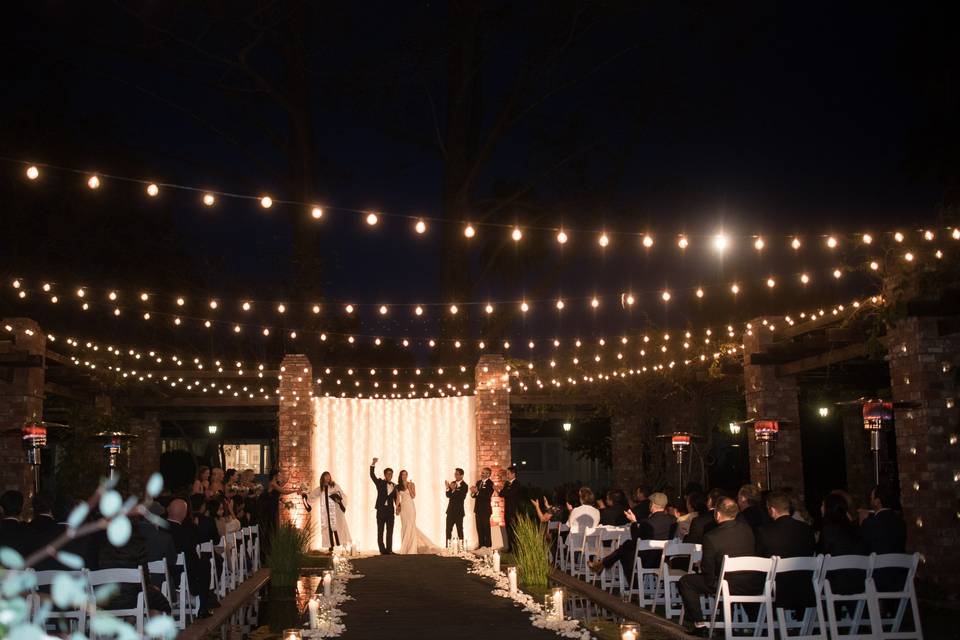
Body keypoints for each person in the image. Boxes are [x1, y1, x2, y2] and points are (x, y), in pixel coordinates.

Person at [678, 497, 762, 636]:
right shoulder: (747, 529)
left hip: (725, 584)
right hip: (750, 582)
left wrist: (703, 566)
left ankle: (699, 624)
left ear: (717, 514)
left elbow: (707, 570)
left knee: (686, 581)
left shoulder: (712, 536)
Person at [588, 492, 675, 578]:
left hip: (646, 561)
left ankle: (634, 585)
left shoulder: (647, 523)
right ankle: (602, 564)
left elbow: (636, 539)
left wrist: (633, 522)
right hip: (663, 560)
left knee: (625, 550)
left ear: (653, 505)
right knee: (627, 545)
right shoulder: (673, 521)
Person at [756, 490, 816, 612]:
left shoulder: (764, 531)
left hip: (778, 587)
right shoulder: (806, 529)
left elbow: (760, 559)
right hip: (804, 585)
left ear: (772, 510)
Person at [166, 498, 215, 616]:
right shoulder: (185, 532)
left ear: (168, 511)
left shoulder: (159, 529)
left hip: (164, 575)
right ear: (183, 514)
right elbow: (192, 556)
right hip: (182, 574)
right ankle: (203, 606)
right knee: (204, 564)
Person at [859, 484, 907, 593]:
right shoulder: (900, 523)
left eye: (871, 498)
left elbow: (862, 547)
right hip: (899, 577)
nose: (870, 501)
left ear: (877, 501)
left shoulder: (871, 523)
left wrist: (862, 522)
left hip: (877, 578)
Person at [307, 471, 352, 551]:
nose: (327, 478)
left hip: (336, 511)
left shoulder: (334, 486)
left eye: (329, 476)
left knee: (339, 526)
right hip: (326, 513)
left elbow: (342, 494)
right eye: (326, 476)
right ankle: (330, 546)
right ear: (322, 478)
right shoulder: (320, 488)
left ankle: (342, 544)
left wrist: (340, 501)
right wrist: (305, 496)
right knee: (327, 528)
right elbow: (312, 496)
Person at [396, 470, 437, 554]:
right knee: (405, 526)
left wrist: (410, 487)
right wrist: (397, 508)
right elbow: (397, 499)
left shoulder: (411, 484)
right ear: (400, 476)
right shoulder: (398, 486)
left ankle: (412, 548)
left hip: (410, 507)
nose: (404, 476)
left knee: (411, 526)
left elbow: (413, 496)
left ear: (407, 475)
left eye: (405, 474)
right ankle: (405, 547)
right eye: (403, 475)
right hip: (403, 508)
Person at [370, 457, 398, 554]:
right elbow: (372, 475)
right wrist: (373, 464)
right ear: (385, 475)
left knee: (390, 532)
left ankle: (389, 550)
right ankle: (382, 550)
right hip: (381, 510)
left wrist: (398, 507)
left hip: (390, 511)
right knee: (380, 531)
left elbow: (396, 498)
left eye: (391, 474)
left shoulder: (395, 486)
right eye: (388, 473)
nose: (389, 475)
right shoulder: (380, 483)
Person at [471, 467, 494, 549]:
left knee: (486, 528)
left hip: (485, 510)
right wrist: (473, 493)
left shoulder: (490, 484)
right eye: (482, 472)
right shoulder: (478, 482)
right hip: (478, 509)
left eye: (484, 473)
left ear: (488, 474)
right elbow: (474, 496)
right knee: (479, 528)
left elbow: (487, 496)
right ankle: (481, 545)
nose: (482, 474)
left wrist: (477, 492)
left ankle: (488, 546)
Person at [499, 466, 522, 550]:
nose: (507, 475)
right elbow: (501, 494)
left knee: (514, 530)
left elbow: (508, 494)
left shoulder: (517, 484)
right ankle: (510, 548)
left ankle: (515, 548)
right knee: (508, 530)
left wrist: (502, 491)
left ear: (513, 474)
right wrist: (503, 491)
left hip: (514, 510)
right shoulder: (507, 483)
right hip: (507, 510)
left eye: (508, 473)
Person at [444, 468, 468, 543]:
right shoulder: (453, 483)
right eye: (455, 474)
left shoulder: (464, 485)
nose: (455, 475)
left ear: (462, 475)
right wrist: (448, 488)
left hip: (459, 512)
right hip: (450, 510)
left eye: (457, 474)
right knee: (448, 530)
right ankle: (448, 546)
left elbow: (461, 497)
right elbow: (448, 495)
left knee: (459, 530)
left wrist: (453, 489)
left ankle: (461, 547)